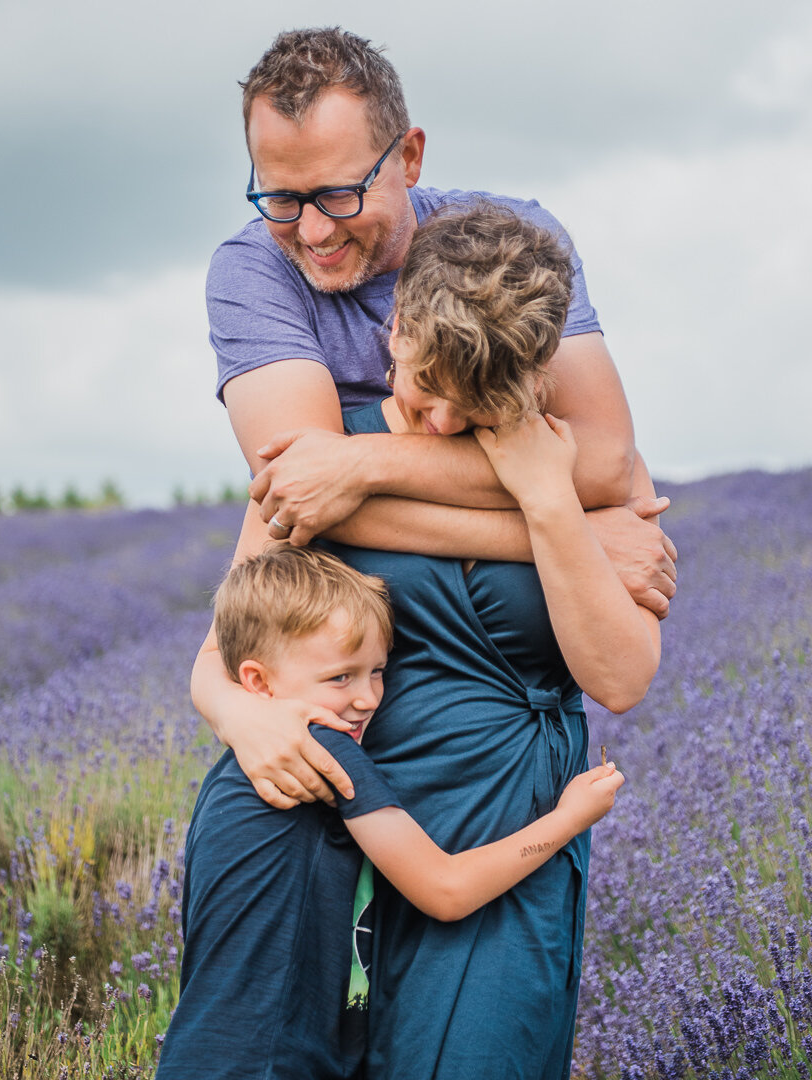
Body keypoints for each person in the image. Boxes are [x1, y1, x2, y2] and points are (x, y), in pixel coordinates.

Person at [192, 197, 661, 1078]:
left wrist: (553, 502)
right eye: (429, 387)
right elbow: (229, 644)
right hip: (332, 824)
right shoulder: (324, 464)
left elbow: (624, 677)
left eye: (479, 405)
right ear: (396, 328)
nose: (444, 425)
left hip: (504, 823)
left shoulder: (574, 471)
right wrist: (237, 714)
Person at [193, 26, 677, 812]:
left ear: (409, 156)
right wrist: (575, 536)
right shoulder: (253, 272)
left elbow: (602, 463)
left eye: (341, 194)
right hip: (346, 736)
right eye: (282, 198)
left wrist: (365, 464)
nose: (313, 233)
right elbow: (304, 505)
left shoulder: (512, 253)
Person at [157, 545, 624, 1080]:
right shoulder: (331, 754)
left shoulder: (231, 774)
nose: (366, 698)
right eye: (340, 678)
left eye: (377, 671)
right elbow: (445, 890)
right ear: (258, 681)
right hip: (273, 1063)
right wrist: (570, 818)